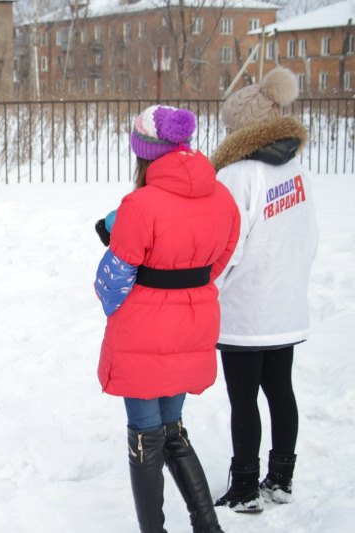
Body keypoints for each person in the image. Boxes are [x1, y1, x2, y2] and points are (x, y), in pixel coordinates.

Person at [94, 105, 240, 533]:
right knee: (171, 427)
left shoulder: (139, 205)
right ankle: (207, 525)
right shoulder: (223, 198)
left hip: (144, 333)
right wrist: (187, 291)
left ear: (143, 154)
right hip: (194, 326)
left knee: (144, 431)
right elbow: (222, 260)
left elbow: (112, 280)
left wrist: (127, 299)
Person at [211, 67, 318, 513]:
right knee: (280, 391)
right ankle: (281, 478)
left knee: (243, 400)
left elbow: (225, 247)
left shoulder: (238, 176)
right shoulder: (297, 171)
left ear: (242, 127)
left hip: (245, 311)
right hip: (285, 306)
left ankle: (244, 487)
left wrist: (210, 288)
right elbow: (309, 237)